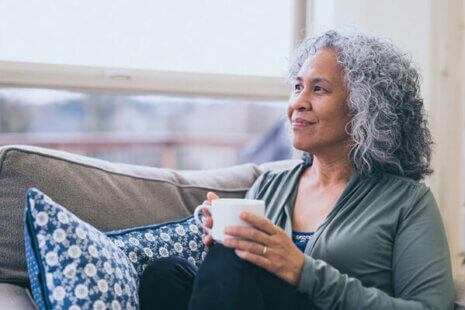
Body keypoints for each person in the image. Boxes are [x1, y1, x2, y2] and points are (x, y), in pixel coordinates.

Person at [138, 30, 455, 309]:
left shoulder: (407, 201)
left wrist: (304, 272)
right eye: (298, 86)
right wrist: (221, 245)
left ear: (365, 108)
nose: (298, 103)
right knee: (167, 275)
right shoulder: (269, 185)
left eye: (319, 89)